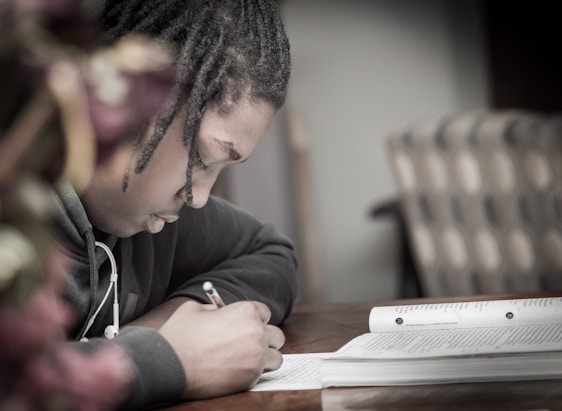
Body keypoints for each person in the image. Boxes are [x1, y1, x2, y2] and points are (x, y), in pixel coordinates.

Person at [50, 0, 297, 409]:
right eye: (201, 159)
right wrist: (168, 358)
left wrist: (168, 325)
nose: (198, 198)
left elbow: (271, 251)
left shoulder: (151, 216)